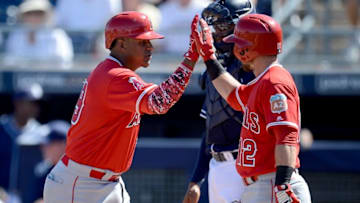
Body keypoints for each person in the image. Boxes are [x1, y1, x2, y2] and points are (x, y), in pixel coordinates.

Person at [43, 11, 200, 203]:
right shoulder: (114, 76)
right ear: (122, 43)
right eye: (143, 42)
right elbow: (160, 101)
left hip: (105, 182)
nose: (150, 47)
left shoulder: (116, 73)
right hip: (82, 184)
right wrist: (191, 57)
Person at [191, 13, 312, 202]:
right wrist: (209, 57)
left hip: (274, 184)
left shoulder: (275, 81)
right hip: (262, 184)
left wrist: (283, 184)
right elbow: (233, 95)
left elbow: (285, 136)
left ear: (247, 49)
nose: (236, 48)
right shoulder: (263, 81)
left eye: (239, 43)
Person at [183, 0, 255, 202]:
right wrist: (195, 180)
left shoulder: (255, 68)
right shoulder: (214, 69)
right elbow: (211, 129)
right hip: (217, 168)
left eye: (223, 26)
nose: (216, 34)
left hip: (248, 165)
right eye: (214, 27)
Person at [0, 83, 44, 202]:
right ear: (18, 103)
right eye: (32, 102)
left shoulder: (41, 133)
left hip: (29, 198)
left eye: (38, 103)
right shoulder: (2, 128)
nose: (36, 107)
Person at [3, 0, 74, 69]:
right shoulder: (16, 35)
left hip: (52, 79)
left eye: (39, 13)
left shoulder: (58, 36)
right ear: (23, 16)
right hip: (22, 79)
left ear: (46, 15)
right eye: (29, 13)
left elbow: (65, 63)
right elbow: (9, 62)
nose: (34, 17)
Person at [29, 120, 69, 203]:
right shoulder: (42, 172)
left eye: (48, 144)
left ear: (63, 144)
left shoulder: (78, 170)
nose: (43, 148)